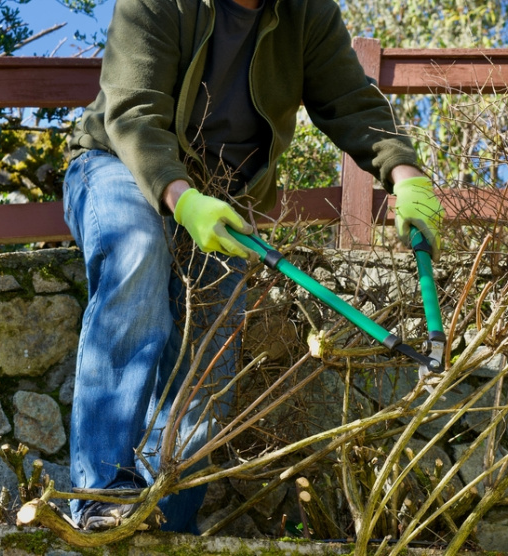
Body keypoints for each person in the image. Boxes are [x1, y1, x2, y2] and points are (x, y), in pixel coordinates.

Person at [62, 0, 444, 534]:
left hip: (222, 195)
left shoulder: (308, 13)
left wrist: (406, 176)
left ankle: (165, 523)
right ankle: (101, 496)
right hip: (115, 164)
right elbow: (132, 114)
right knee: (138, 251)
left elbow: (350, 101)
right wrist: (181, 198)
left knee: (212, 348)